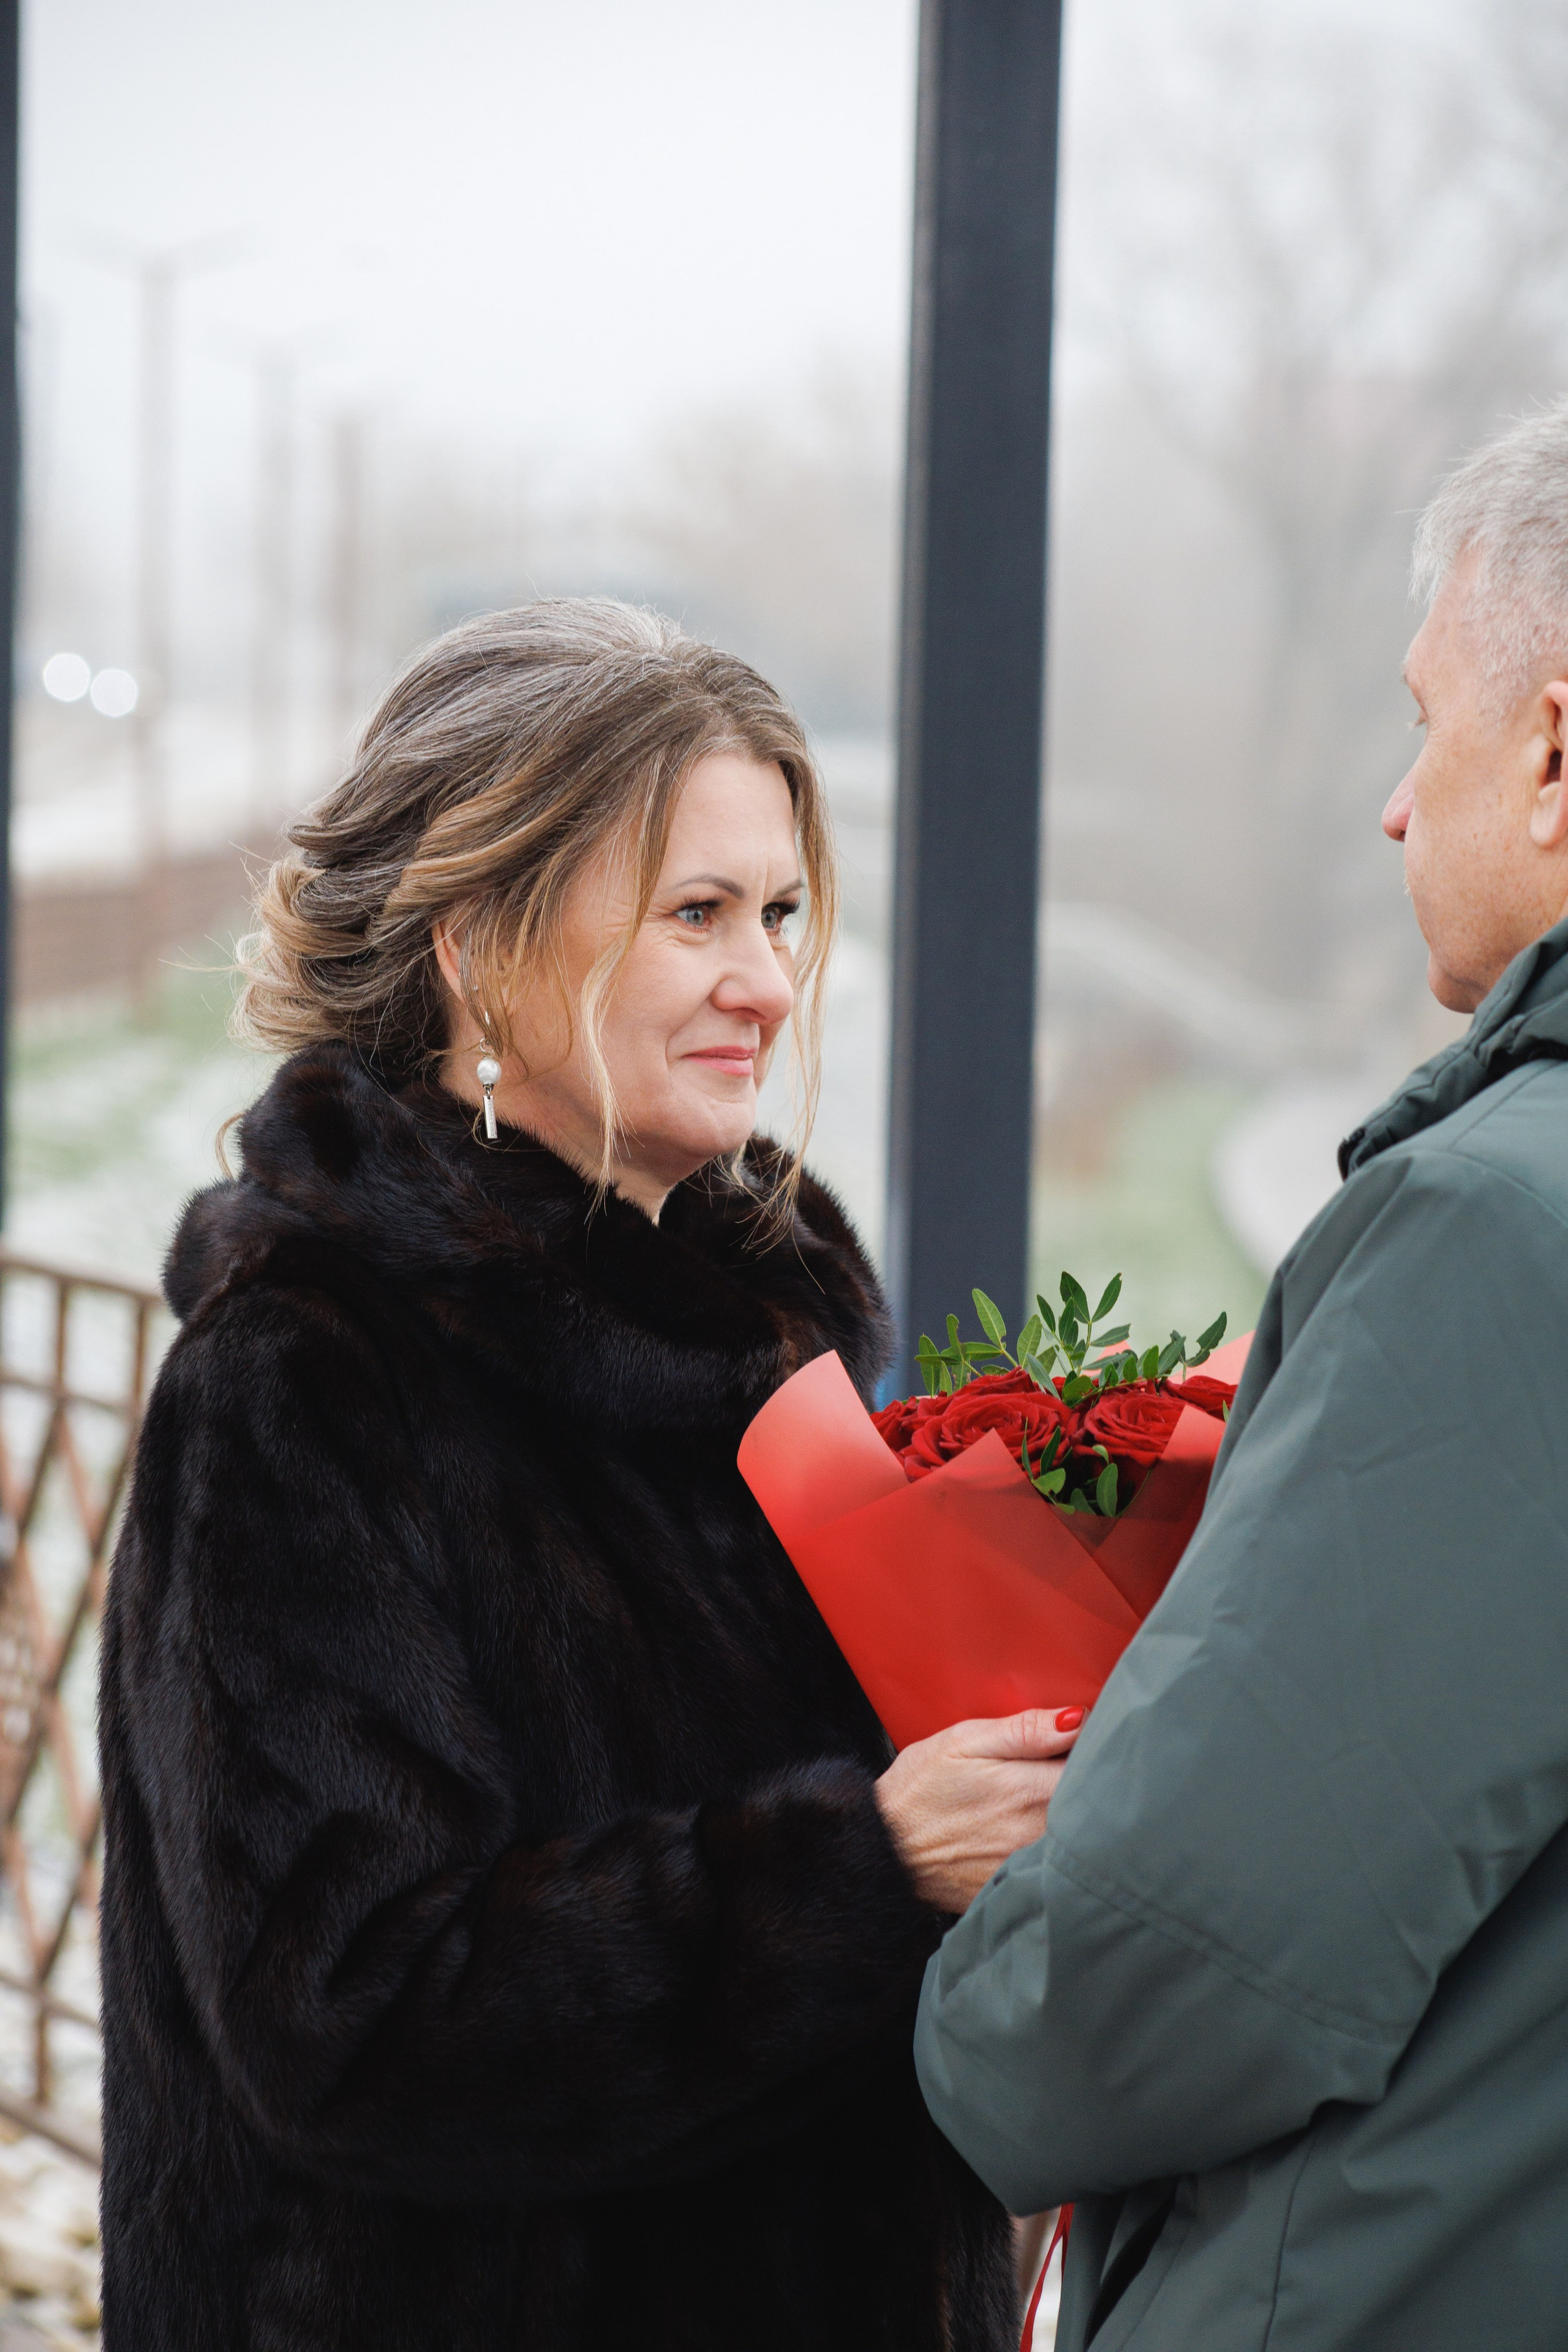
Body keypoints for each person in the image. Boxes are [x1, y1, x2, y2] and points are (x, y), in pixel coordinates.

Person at [97, 600, 1078, 2352]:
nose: (769, 982)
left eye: (778, 914)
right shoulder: (307, 1378)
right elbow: (349, 2020)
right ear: (478, 943)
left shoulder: (771, 1342)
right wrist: (858, 1871)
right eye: (695, 915)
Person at [914, 402, 1568, 2351]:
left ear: (1553, 750)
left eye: (1424, 715)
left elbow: (1184, 1959)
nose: (1393, 800)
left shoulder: (1500, 1236)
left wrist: (971, 2024)